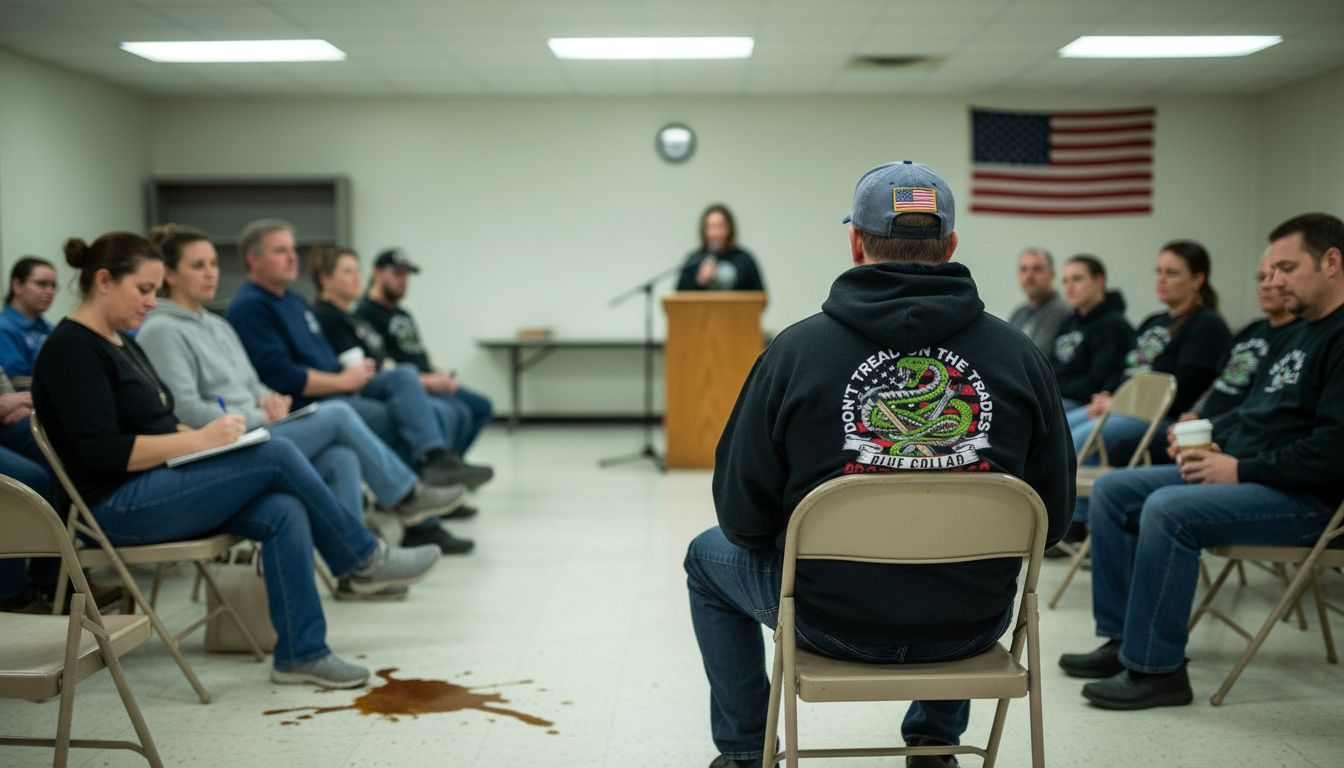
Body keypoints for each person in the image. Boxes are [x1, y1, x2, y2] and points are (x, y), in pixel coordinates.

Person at [684, 161, 1073, 768]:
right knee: (965, 556)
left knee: (706, 558)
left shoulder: (792, 352)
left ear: (856, 243)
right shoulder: (1019, 357)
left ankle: (743, 753)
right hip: (971, 624)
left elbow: (741, 517)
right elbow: (1055, 520)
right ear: (950, 244)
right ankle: (936, 744)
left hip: (827, 620)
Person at [33, 230, 441, 687]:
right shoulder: (71, 350)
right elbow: (104, 453)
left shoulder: (121, 342)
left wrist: (209, 439)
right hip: (114, 507)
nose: (152, 302)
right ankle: (362, 558)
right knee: (278, 452)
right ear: (104, 281)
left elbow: (162, 423)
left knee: (282, 509)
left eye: (154, 290)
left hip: (158, 482)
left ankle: (301, 653)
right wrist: (202, 441)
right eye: (144, 290)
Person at [1058, 213, 1344, 710]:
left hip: (1308, 500)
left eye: (1285, 268)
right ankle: (1123, 640)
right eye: (1269, 270)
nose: (1271, 281)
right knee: (1113, 491)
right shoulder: (1297, 334)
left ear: (1333, 262)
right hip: (1253, 474)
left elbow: (1334, 450)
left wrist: (1239, 469)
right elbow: (1254, 412)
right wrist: (1212, 441)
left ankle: (1158, 670)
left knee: (1168, 509)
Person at [137, 225, 473, 576]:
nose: (211, 273)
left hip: (259, 427)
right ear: (170, 274)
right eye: (198, 265)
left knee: (340, 456)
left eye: (214, 264)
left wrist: (272, 400)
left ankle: (356, 573)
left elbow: (254, 382)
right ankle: (405, 497)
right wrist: (257, 413)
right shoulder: (161, 330)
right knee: (340, 414)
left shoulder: (217, 324)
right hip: (224, 445)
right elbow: (186, 409)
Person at [225, 221, 486, 557]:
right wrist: (343, 381)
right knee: (394, 418)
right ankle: (418, 518)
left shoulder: (294, 301)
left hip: (340, 386)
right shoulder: (251, 307)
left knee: (404, 376)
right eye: (280, 251)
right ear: (253, 259)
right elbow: (282, 376)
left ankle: (436, 461)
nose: (292, 258)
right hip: (312, 401)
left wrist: (351, 373)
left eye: (292, 250)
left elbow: (324, 358)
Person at [1066, 241, 1232, 469]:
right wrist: (1108, 396)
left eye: (1171, 273)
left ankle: (1079, 503)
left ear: (1197, 279)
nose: (1161, 279)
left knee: (1078, 444)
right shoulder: (1153, 321)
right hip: (1123, 410)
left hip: (1162, 421)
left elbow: (1183, 391)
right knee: (1059, 431)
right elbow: (1124, 368)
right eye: (1159, 272)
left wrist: (1120, 403)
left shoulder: (1207, 325)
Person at [355, 248, 495, 470]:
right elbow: (381, 364)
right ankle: (434, 468)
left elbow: (418, 353)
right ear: (377, 273)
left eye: (407, 275)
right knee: (454, 411)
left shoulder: (403, 314)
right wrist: (426, 380)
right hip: (411, 385)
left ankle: (453, 465)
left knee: (481, 406)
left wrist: (439, 374)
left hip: (430, 378)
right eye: (397, 273)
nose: (404, 281)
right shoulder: (365, 314)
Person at [1181, 248, 1299, 421]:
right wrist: (1194, 413)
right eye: (1260, 278)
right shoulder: (1251, 330)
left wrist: (1212, 426)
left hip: (1233, 429)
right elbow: (1221, 381)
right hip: (1202, 423)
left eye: (1272, 277)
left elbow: (1261, 402)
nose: (1265, 286)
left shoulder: (1297, 335)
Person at [1051, 255, 1135, 411]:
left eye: (1077, 279)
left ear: (1099, 281)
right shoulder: (1070, 321)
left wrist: (1052, 386)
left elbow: (1096, 383)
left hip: (1086, 403)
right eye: (1065, 281)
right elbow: (1050, 365)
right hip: (1060, 395)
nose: (1069, 287)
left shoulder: (1113, 325)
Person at [675, 204, 765, 292]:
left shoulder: (745, 260)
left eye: (720, 227)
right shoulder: (694, 260)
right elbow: (678, 298)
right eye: (711, 227)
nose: (715, 233)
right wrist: (699, 281)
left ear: (729, 229)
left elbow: (759, 296)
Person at [0, 256, 59, 382]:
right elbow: (18, 380)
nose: (50, 291)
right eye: (41, 284)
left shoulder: (50, 329)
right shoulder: (3, 329)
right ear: (17, 285)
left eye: (53, 286)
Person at [1007, 248, 1070, 356]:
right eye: (1024, 269)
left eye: (1037, 269)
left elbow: (1037, 355)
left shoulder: (1059, 310)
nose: (1029, 276)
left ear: (1052, 275)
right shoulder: (1019, 312)